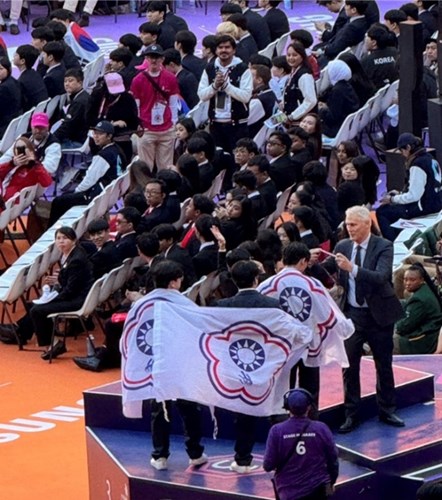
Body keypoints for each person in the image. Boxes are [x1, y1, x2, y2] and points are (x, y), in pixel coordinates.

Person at [321, 206, 405, 432]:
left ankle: (387, 410)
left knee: (383, 364)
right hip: (352, 315)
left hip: (379, 315)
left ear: (367, 224)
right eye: (347, 224)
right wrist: (310, 263)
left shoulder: (384, 246)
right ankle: (351, 413)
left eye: (353, 225)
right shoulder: (343, 246)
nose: (349, 229)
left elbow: (381, 277)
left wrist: (353, 269)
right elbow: (329, 270)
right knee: (349, 365)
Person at [216, 260, 281, 473]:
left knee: (243, 411)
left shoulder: (222, 306)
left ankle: (243, 459)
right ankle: (280, 457)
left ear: (234, 281)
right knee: (275, 408)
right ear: (256, 279)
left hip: (235, 368)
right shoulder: (273, 304)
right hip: (267, 366)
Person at [0, 227, 94, 358]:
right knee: (33, 305)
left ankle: (53, 344)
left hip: (77, 300)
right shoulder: (71, 254)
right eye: (58, 238)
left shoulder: (76, 259)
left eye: (65, 238)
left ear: (73, 240)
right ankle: (20, 332)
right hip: (74, 295)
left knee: (38, 310)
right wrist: (58, 283)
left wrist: (51, 299)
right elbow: (70, 282)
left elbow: (71, 290)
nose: (61, 241)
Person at [263, 388, 339, 500]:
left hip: (288, 493)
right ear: (309, 407)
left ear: (287, 408)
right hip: (318, 490)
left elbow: (268, 466)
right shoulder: (321, 428)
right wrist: (331, 482)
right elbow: (333, 459)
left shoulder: (276, 431)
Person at [49, 121, 124, 224]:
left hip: (97, 196)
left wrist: (77, 192)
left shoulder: (103, 156)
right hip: (109, 192)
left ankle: (54, 230)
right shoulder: (116, 149)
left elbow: (90, 180)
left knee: (59, 202)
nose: (96, 137)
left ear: (109, 136)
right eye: (95, 133)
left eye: (100, 134)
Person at [377, 133, 442, 241]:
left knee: (382, 212)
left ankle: (393, 243)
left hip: (426, 207)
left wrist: (392, 199)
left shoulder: (417, 165)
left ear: (408, 148)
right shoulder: (430, 158)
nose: (402, 154)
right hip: (436, 202)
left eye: (402, 150)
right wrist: (400, 194)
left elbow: (414, 196)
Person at [198, 34, 253, 154]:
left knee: (237, 160)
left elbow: (246, 96)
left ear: (233, 50)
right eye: (220, 47)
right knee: (218, 159)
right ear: (216, 50)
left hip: (237, 125)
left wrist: (227, 87)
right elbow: (202, 95)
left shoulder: (243, 69)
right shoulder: (209, 68)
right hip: (215, 124)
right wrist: (214, 86)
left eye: (227, 47)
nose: (224, 50)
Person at [130, 44, 180, 171]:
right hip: (147, 129)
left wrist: (173, 123)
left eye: (157, 57)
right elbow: (136, 105)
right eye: (151, 57)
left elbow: (173, 102)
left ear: (162, 59)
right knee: (145, 167)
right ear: (146, 58)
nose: (154, 60)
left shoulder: (170, 78)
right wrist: (139, 124)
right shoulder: (138, 80)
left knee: (166, 167)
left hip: (166, 128)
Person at [88, 71, 139, 162]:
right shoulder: (97, 95)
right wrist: (110, 124)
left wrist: (124, 125)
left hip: (121, 139)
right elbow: (89, 118)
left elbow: (134, 121)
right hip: (99, 136)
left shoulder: (128, 99)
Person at [394, 264, 442, 355]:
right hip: (426, 334)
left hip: (422, 342)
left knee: (381, 341)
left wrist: (394, 323)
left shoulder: (419, 300)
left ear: (421, 280)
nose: (408, 283)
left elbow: (403, 327)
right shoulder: (424, 290)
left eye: (412, 280)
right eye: (405, 279)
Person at [0, 113, 61, 178]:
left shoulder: (54, 145)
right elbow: (8, 156)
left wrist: (30, 164)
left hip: (37, 179)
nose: (38, 131)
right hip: (18, 175)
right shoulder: (23, 137)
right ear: (31, 126)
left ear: (47, 127)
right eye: (36, 127)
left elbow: (50, 168)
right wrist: (13, 162)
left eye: (41, 128)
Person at [318, 59, 359, 138]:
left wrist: (321, 109)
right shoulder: (347, 86)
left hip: (338, 129)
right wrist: (326, 107)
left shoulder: (337, 91)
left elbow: (332, 119)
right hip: (348, 125)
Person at [53, 68, 90, 148]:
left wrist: (51, 140)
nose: (67, 84)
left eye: (70, 81)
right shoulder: (83, 95)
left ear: (80, 83)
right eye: (65, 81)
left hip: (76, 141)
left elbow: (68, 127)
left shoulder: (79, 102)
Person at [282, 42, 317, 124]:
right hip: (288, 115)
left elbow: (311, 101)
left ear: (302, 56)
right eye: (288, 55)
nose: (290, 58)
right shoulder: (293, 71)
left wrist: (292, 117)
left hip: (301, 122)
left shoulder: (305, 76)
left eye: (294, 55)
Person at [13, 44, 48, 111]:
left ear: (22, 61)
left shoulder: (21, 81)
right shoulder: (35, 74)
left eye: (16, 54)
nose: (14, 56)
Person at [248, 64, 277, 138]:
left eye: (249, 76)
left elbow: (245, 121)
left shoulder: (259, 100)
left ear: (259, 80)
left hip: (255, 139)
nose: (246, 79)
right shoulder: (270, 93)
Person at [0, 57, 22, 139]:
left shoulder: (4, 88)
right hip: (12, 120)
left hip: (4, 126)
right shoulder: (13, 81)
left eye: (1, 69)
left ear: (8, 69)